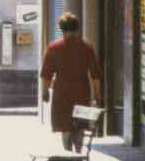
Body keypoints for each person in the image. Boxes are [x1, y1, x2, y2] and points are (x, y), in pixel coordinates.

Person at [40, 12, 103, 152]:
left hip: (62, 94)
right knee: (79, 126)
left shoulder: (53, 48)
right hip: (82, 92)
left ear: (61, 29)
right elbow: (95, 75)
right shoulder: (87, 47)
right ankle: (78, 154)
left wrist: (45, 92)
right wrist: (97, 95)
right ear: (77, 28)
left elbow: (46, 74)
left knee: (65, 127)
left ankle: (68, 156)